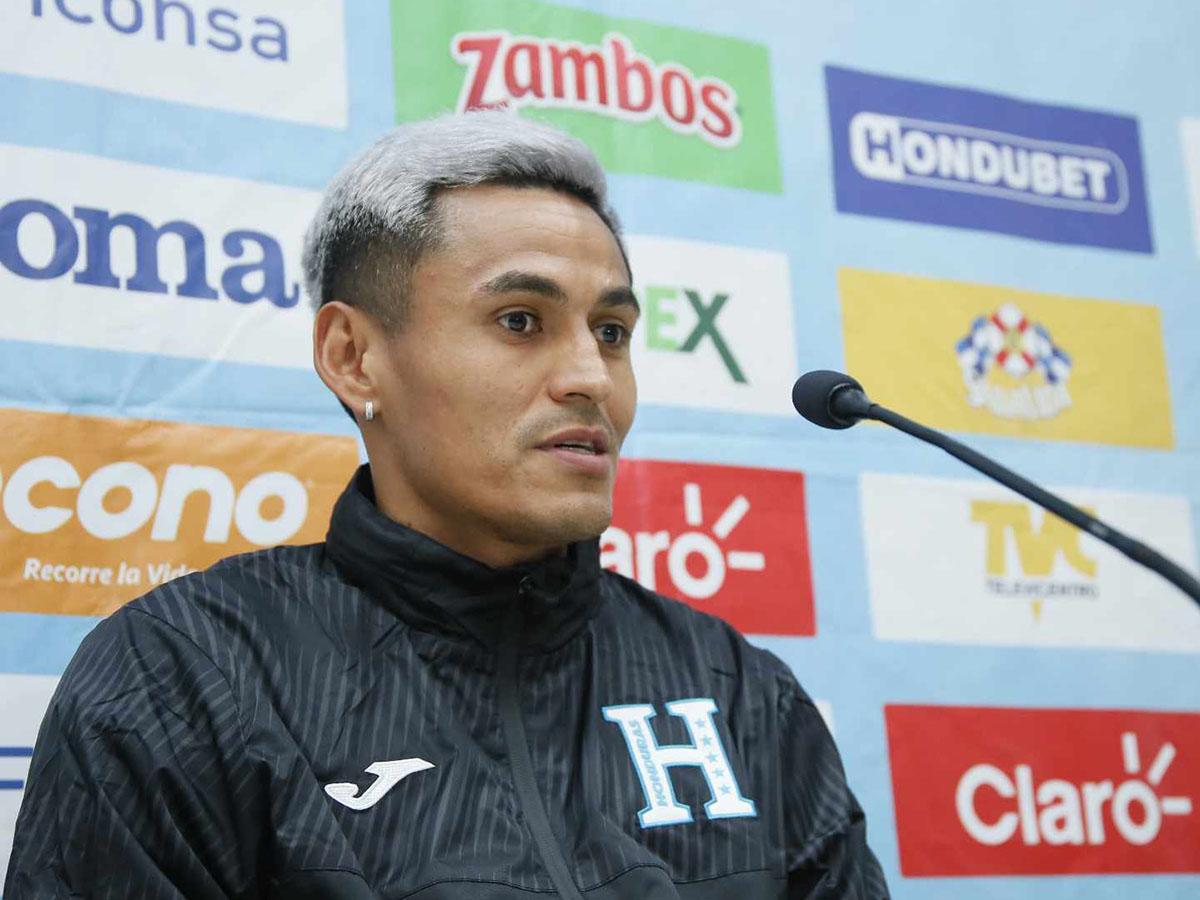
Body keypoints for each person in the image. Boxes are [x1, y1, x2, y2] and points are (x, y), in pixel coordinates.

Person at [6, 112, 889, 899]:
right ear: (353, 357)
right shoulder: (184, 676)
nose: (591, 377)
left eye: (612, 332)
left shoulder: (736, 691)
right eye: (520, 321)